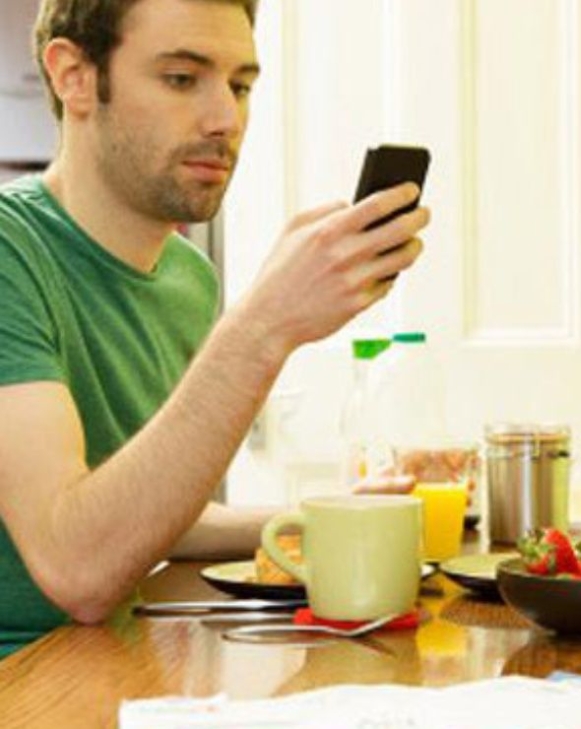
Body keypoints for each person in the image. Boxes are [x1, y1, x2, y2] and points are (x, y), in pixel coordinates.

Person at [0, 0, 429, 657]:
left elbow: (146, 518)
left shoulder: (187, 280)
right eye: (181, 78)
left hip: (107, 662)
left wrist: (329, 514)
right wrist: (263, 325)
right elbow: (77, 569)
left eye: (240, 85)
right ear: (73, 76)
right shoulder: (11, 254)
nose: (226, 119)